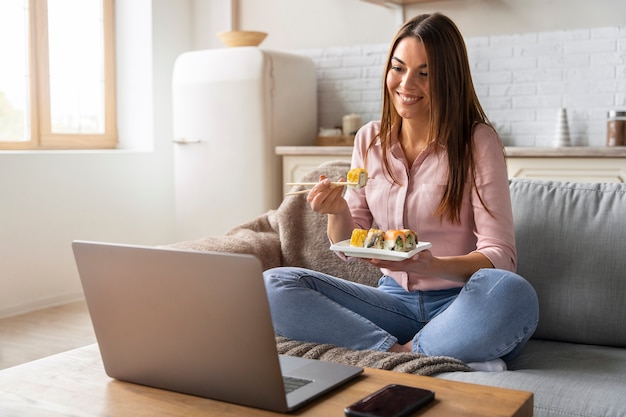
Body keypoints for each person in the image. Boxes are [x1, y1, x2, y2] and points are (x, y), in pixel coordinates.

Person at [263, 13, 539, 370]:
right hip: (392, 303)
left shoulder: (477, 141)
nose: (406, 83)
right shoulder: (369, 139)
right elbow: (349, 242)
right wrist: (338, 212)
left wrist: (433, 264)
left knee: (513, 294)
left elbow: (501, 254)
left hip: (463, 305)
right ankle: (407, 355)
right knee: (275, 285)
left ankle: (409, 352)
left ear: (448, 79)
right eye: (398, 68)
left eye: (424, 73)